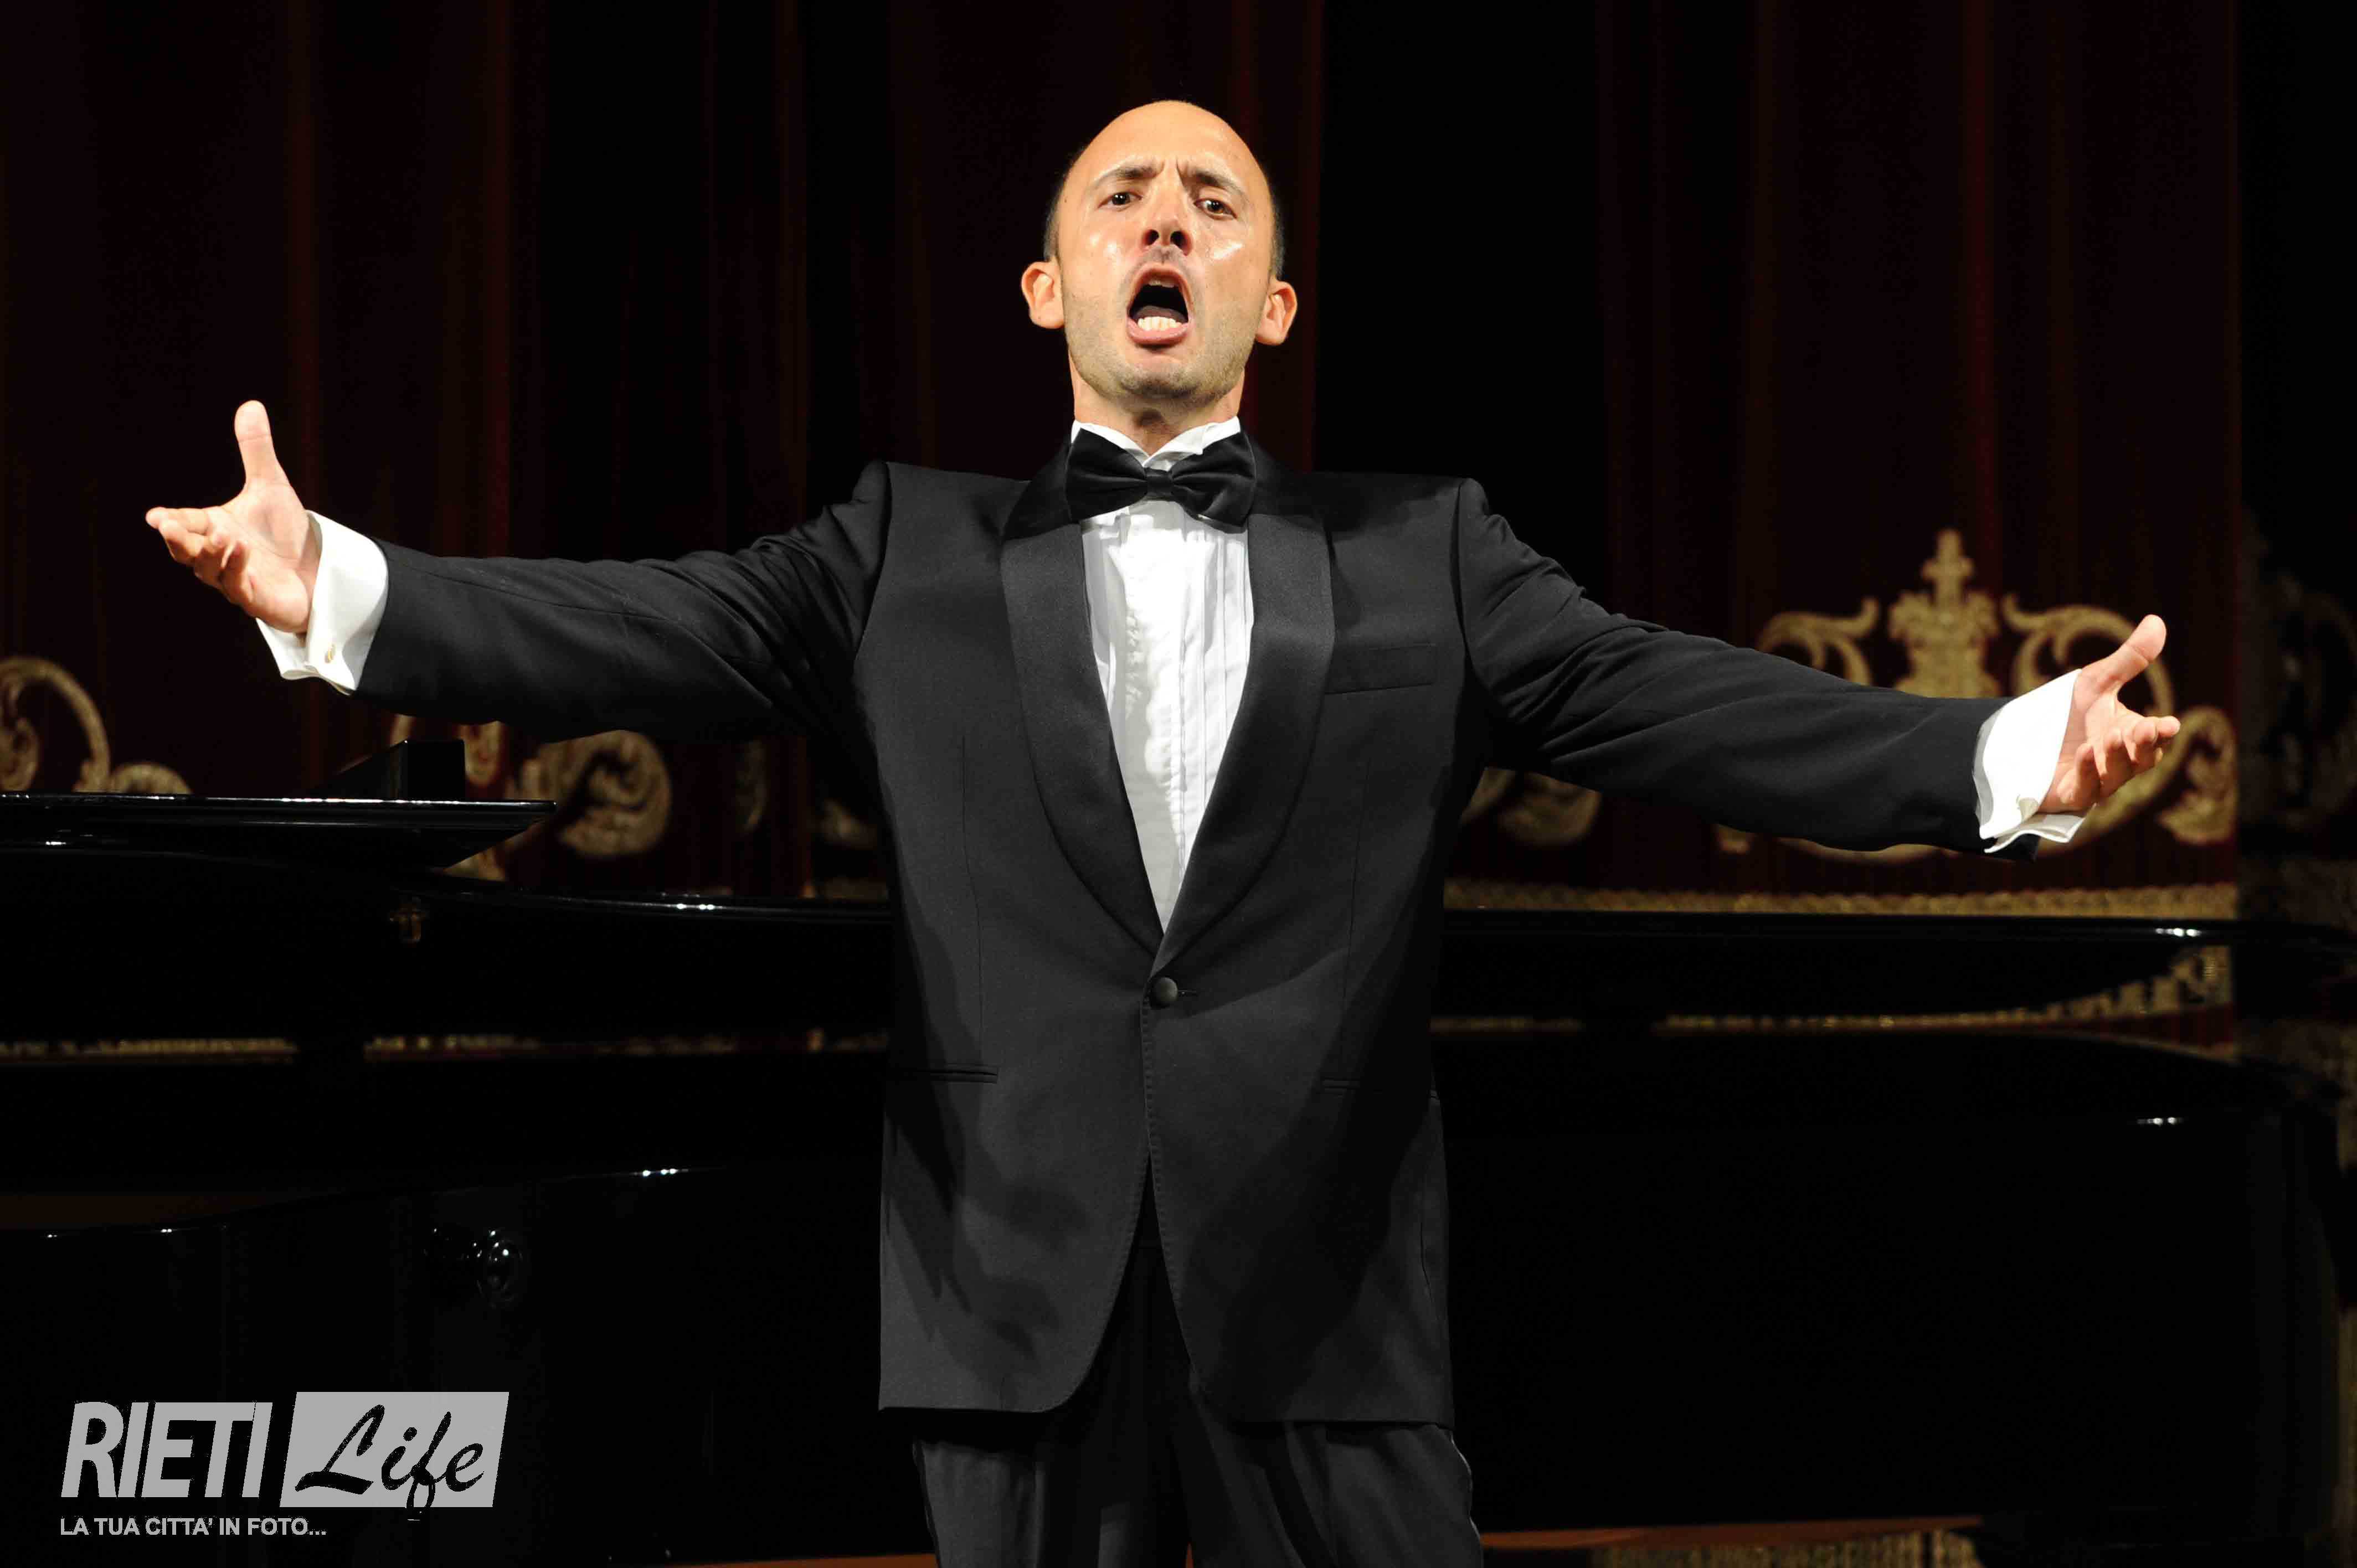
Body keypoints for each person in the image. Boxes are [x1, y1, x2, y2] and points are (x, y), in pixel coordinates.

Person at [145, 99, 2178, 1568]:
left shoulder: (1429, 556)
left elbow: (1692, 706)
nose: (1167, 223)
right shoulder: (899, 551)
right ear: (1053, 285)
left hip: (1328, 1300)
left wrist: (2003, 753)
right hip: (1011, 1298)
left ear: (1270, 302)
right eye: (1124, 196)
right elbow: (635, 628)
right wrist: (348, 589)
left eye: (1214, 203)